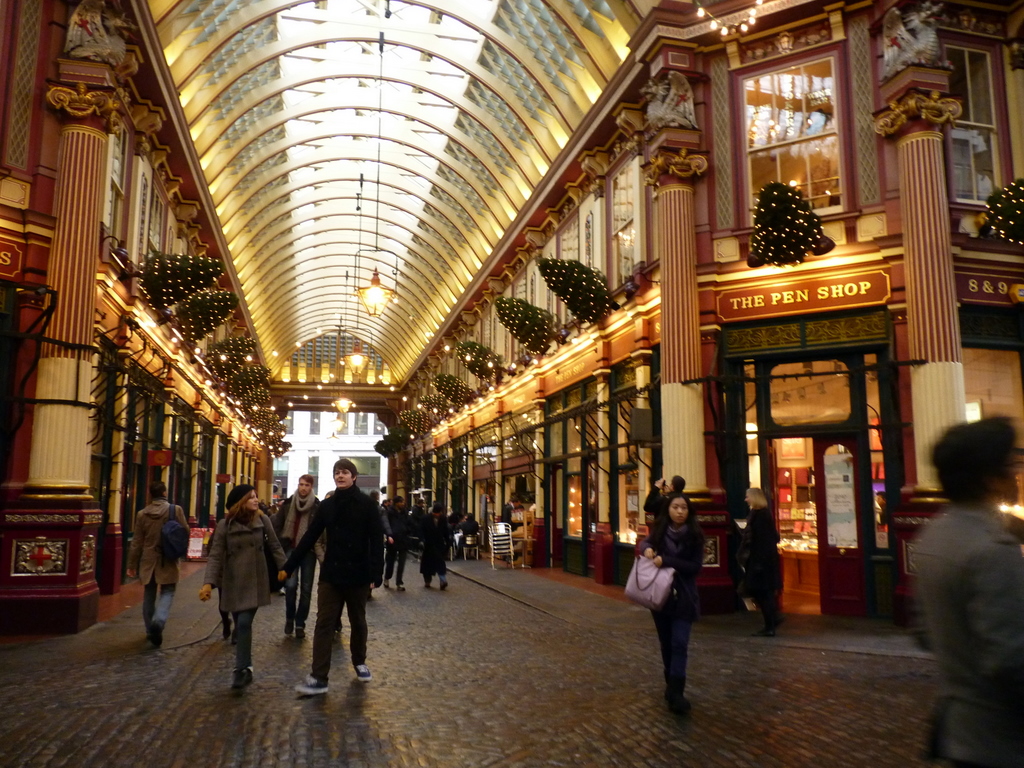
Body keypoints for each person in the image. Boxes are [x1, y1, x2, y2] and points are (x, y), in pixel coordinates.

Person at [915, 417, 1024, 768]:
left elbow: (923, 633)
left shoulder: (932, 537)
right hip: (1001, 737)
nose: (1015, 474)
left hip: (958, 728)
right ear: (990, 478)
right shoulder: (993, 550)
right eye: (1010, 464)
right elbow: (1011, 659)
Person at [280, 458, 385, 694]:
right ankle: (319, 677)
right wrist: (290, 565)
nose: (340, 476)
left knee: (358, 620)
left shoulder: (367, 506)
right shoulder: (327, 507)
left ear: (354, 476)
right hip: (331, 574)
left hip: (358, 574)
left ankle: (359, 661)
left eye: (345, 472)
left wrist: (376, 572)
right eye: (337, 472)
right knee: (324, 623)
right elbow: (309, 537)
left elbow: (376, 540)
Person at [199, 484, 286, 689]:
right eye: (252, 497)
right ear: (241, 502)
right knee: (240, 624)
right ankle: (245, 665)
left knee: (245, 623)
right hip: (233, 581)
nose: (257, 500)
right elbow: (216, 555)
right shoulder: (225, 525)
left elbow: (274, 545)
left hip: (256, 580)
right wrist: (208, 583)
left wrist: (285, 568)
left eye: (256, 496)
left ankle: (242, 669)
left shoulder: (263, 520)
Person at [638, 492, 704, 714]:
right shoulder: (659, 531)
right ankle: (670, 684)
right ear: (668, 509)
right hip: (661, 596)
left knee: (679, 643)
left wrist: (667, 561)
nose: (679, 512)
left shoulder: (695, 535)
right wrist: (646, 548)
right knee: (666, 643)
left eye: (684, 508)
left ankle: (677, 692)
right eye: (675, 507)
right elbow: (644, 543)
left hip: (684, 596)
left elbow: (695, 566)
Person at [126, 481, 188, 647]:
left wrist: (131, 564)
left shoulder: (142, 514)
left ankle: (149, 630)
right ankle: (158, 622)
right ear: (165, 493)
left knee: (149, 593)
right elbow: (185, 532)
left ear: (150, 495)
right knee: (168, 591)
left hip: (148, 559)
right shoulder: (175, 510)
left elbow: (137, 542)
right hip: (168, 557)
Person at [271, 474, 320, 639]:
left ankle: (300, 623)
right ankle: (289, 618)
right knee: (290, 586)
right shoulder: (287, 504)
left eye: (306, 485)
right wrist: (280, 545)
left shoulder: (317, 506)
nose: (303, 488)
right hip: (290, 549)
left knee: (306, 589)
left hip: (309, 553)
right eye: (301, 484)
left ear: (311, 487)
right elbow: (277, 525)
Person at [739, 487, 781, 637]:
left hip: (761, 562)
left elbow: (766, 540)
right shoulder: (757, 514)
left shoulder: (761, 516)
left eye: (747, 497)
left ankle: (770, 625)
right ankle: (772, 620)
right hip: (759, 561)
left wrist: (759, 563)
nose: (746, 499)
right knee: (761, 592)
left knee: (763, 593)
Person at [420, 501, 453, 589]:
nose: (437, 515)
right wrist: (422, 540)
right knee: (427, 564)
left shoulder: (443, 519)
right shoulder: (425, 518)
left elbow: (445, 531)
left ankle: (443, 580)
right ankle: (427, 581)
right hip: (428, 544)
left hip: (438, 544)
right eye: (436, 513)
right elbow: (421, 530)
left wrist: (448, 541)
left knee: (440, 562)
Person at [384, 495, 410, 590]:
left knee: (401, 563)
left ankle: (399, 582)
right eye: (401, 502)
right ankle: (387, 577)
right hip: (393, 540)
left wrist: (408, 530)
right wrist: (389, 534)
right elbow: (386, 524)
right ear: (396, 503)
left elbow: (408, 523)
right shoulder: (389, 513)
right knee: (390, 562)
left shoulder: (405, 513)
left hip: (403, 539)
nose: (403, 503)